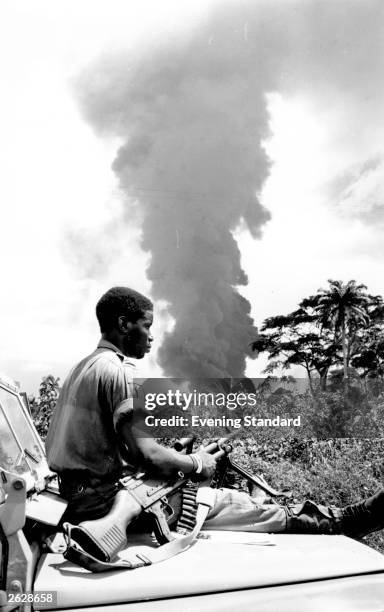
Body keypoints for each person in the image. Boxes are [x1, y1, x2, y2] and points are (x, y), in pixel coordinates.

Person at [46, 286, 384, 540]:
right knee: (231, 503)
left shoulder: (80, 369)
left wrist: (177, 455)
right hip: (106, 503)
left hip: (78, 498)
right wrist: (197, 463)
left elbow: (120, 451)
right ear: (123, 324)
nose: (151, 337)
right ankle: (345, 519)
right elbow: (147, 455)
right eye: (146, 326)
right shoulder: (117, 370)